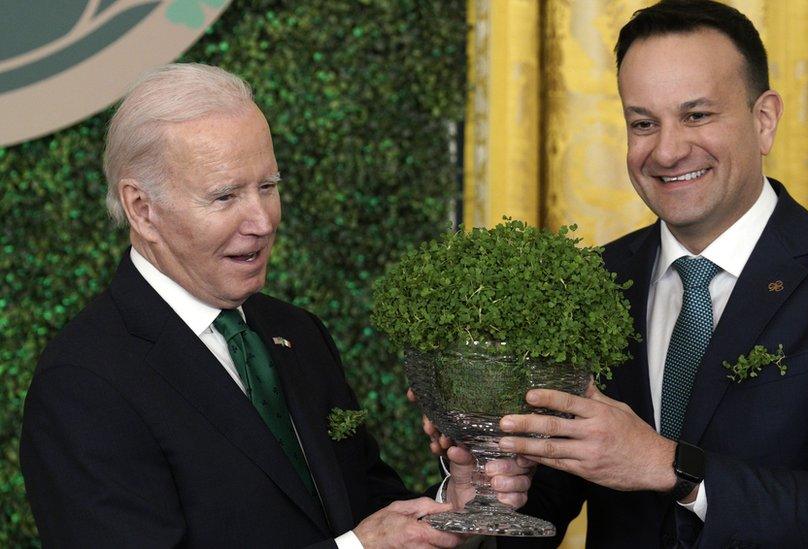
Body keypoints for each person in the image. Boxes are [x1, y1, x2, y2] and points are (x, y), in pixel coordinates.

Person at [440, 1, 808, 547]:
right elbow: (535, 519)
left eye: (697, 115)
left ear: (764, 119)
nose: (668, 150)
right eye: (643, 123)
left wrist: (667, 465)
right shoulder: (584, 286)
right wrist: (478, 492)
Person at [19, 63, 530, 548]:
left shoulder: (297, 334)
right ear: (142, 208)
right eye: (225, 197)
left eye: (267, 187)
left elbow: (369, 513)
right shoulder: (83, 382)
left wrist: (457, 502)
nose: (263, 221)